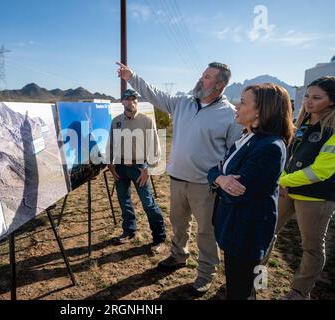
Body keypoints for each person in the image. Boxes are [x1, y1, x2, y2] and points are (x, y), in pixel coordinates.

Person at [116, 61, 242, 294]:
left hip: (206, 184)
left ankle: (205, 274)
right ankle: (178, 256)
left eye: (207, 76)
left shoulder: (230, 115)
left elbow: (235, 151)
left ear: (219, 84)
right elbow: (155, 94)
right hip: (177, 179)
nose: (201, 78)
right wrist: (131, 76)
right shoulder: (183, 102)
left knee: (206, 231)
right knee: (179, 222)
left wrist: (223, 178)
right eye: (203, 74)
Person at [207, 83, 294, 300]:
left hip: (247, 234)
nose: (237, 105)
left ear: (262, 110)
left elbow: (236, 192)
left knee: (241, 290)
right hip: (235, 227)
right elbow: (215, 170)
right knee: (243, 284)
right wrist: (220, 178)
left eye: (243, 102)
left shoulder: (269, 147)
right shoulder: (248, 137)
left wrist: (221, 178)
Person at [270, 76, 335, 300]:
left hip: (316, 198)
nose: (309, 101)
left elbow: (320, 171)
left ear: (332, 102)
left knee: (311, 248)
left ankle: (299, 293)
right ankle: (255, 278)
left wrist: (283, 181)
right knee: (266, 233)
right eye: (307, 96)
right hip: (287, 190)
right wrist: (284, 180)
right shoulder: (303, 123)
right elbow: (289, 155)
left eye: (317, 98)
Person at [106, 89, 166, 254]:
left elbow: (155, 146)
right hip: (120, 167)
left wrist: (147, 168)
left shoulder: (146, 121)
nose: (131, 102)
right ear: (122, 102)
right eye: (128, 99)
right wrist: (110, 165)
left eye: (134, 100)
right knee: (124, 200)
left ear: (137, 102)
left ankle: (159, 238)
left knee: (148, 202)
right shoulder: (116, 121)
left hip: (139, 167)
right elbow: (111, 143)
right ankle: (129, 231)